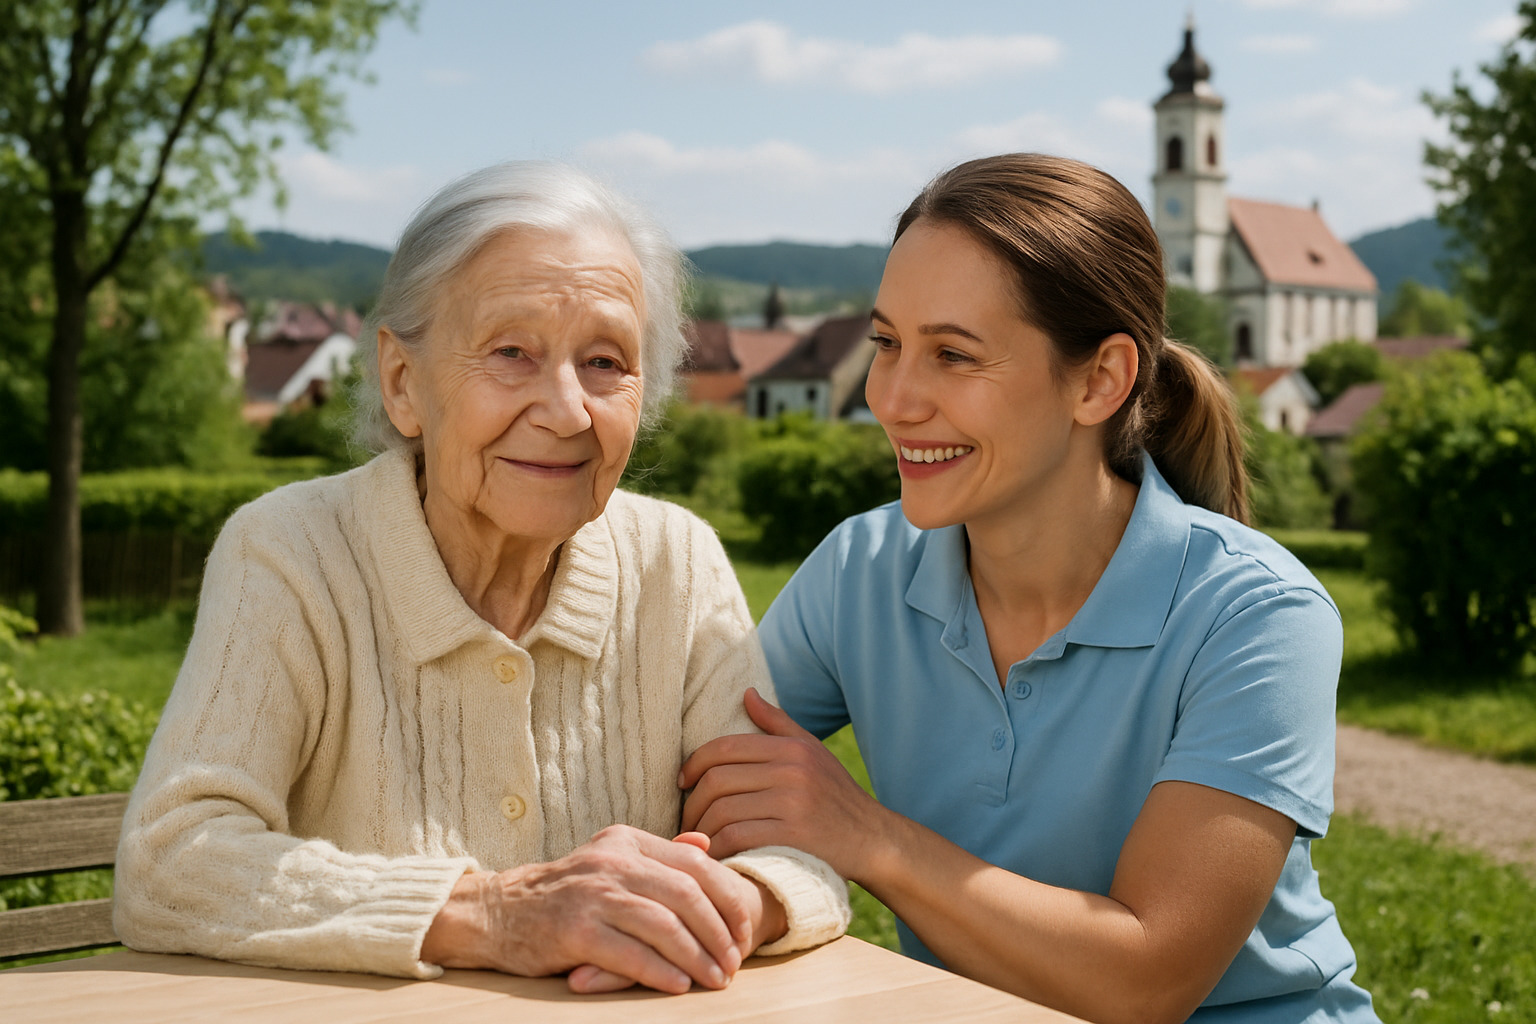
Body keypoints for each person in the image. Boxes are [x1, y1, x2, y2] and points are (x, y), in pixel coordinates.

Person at [113, 162, 848, 994]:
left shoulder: (678, 561)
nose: (567, 410)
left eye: (604, 361)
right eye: (511, 353)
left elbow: (797, 855)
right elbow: (170, 862)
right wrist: (497, 915)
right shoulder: (290, 552)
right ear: (403, 383)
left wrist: (732, 904)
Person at [679, 154, 1379, 1023]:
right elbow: (689, 781)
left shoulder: (1256, 615)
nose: (893, 399)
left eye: (953, 355)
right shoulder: (860, 569)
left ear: (1100, 381)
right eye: (887, 344)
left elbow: (1146, 982)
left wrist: (869, 839)